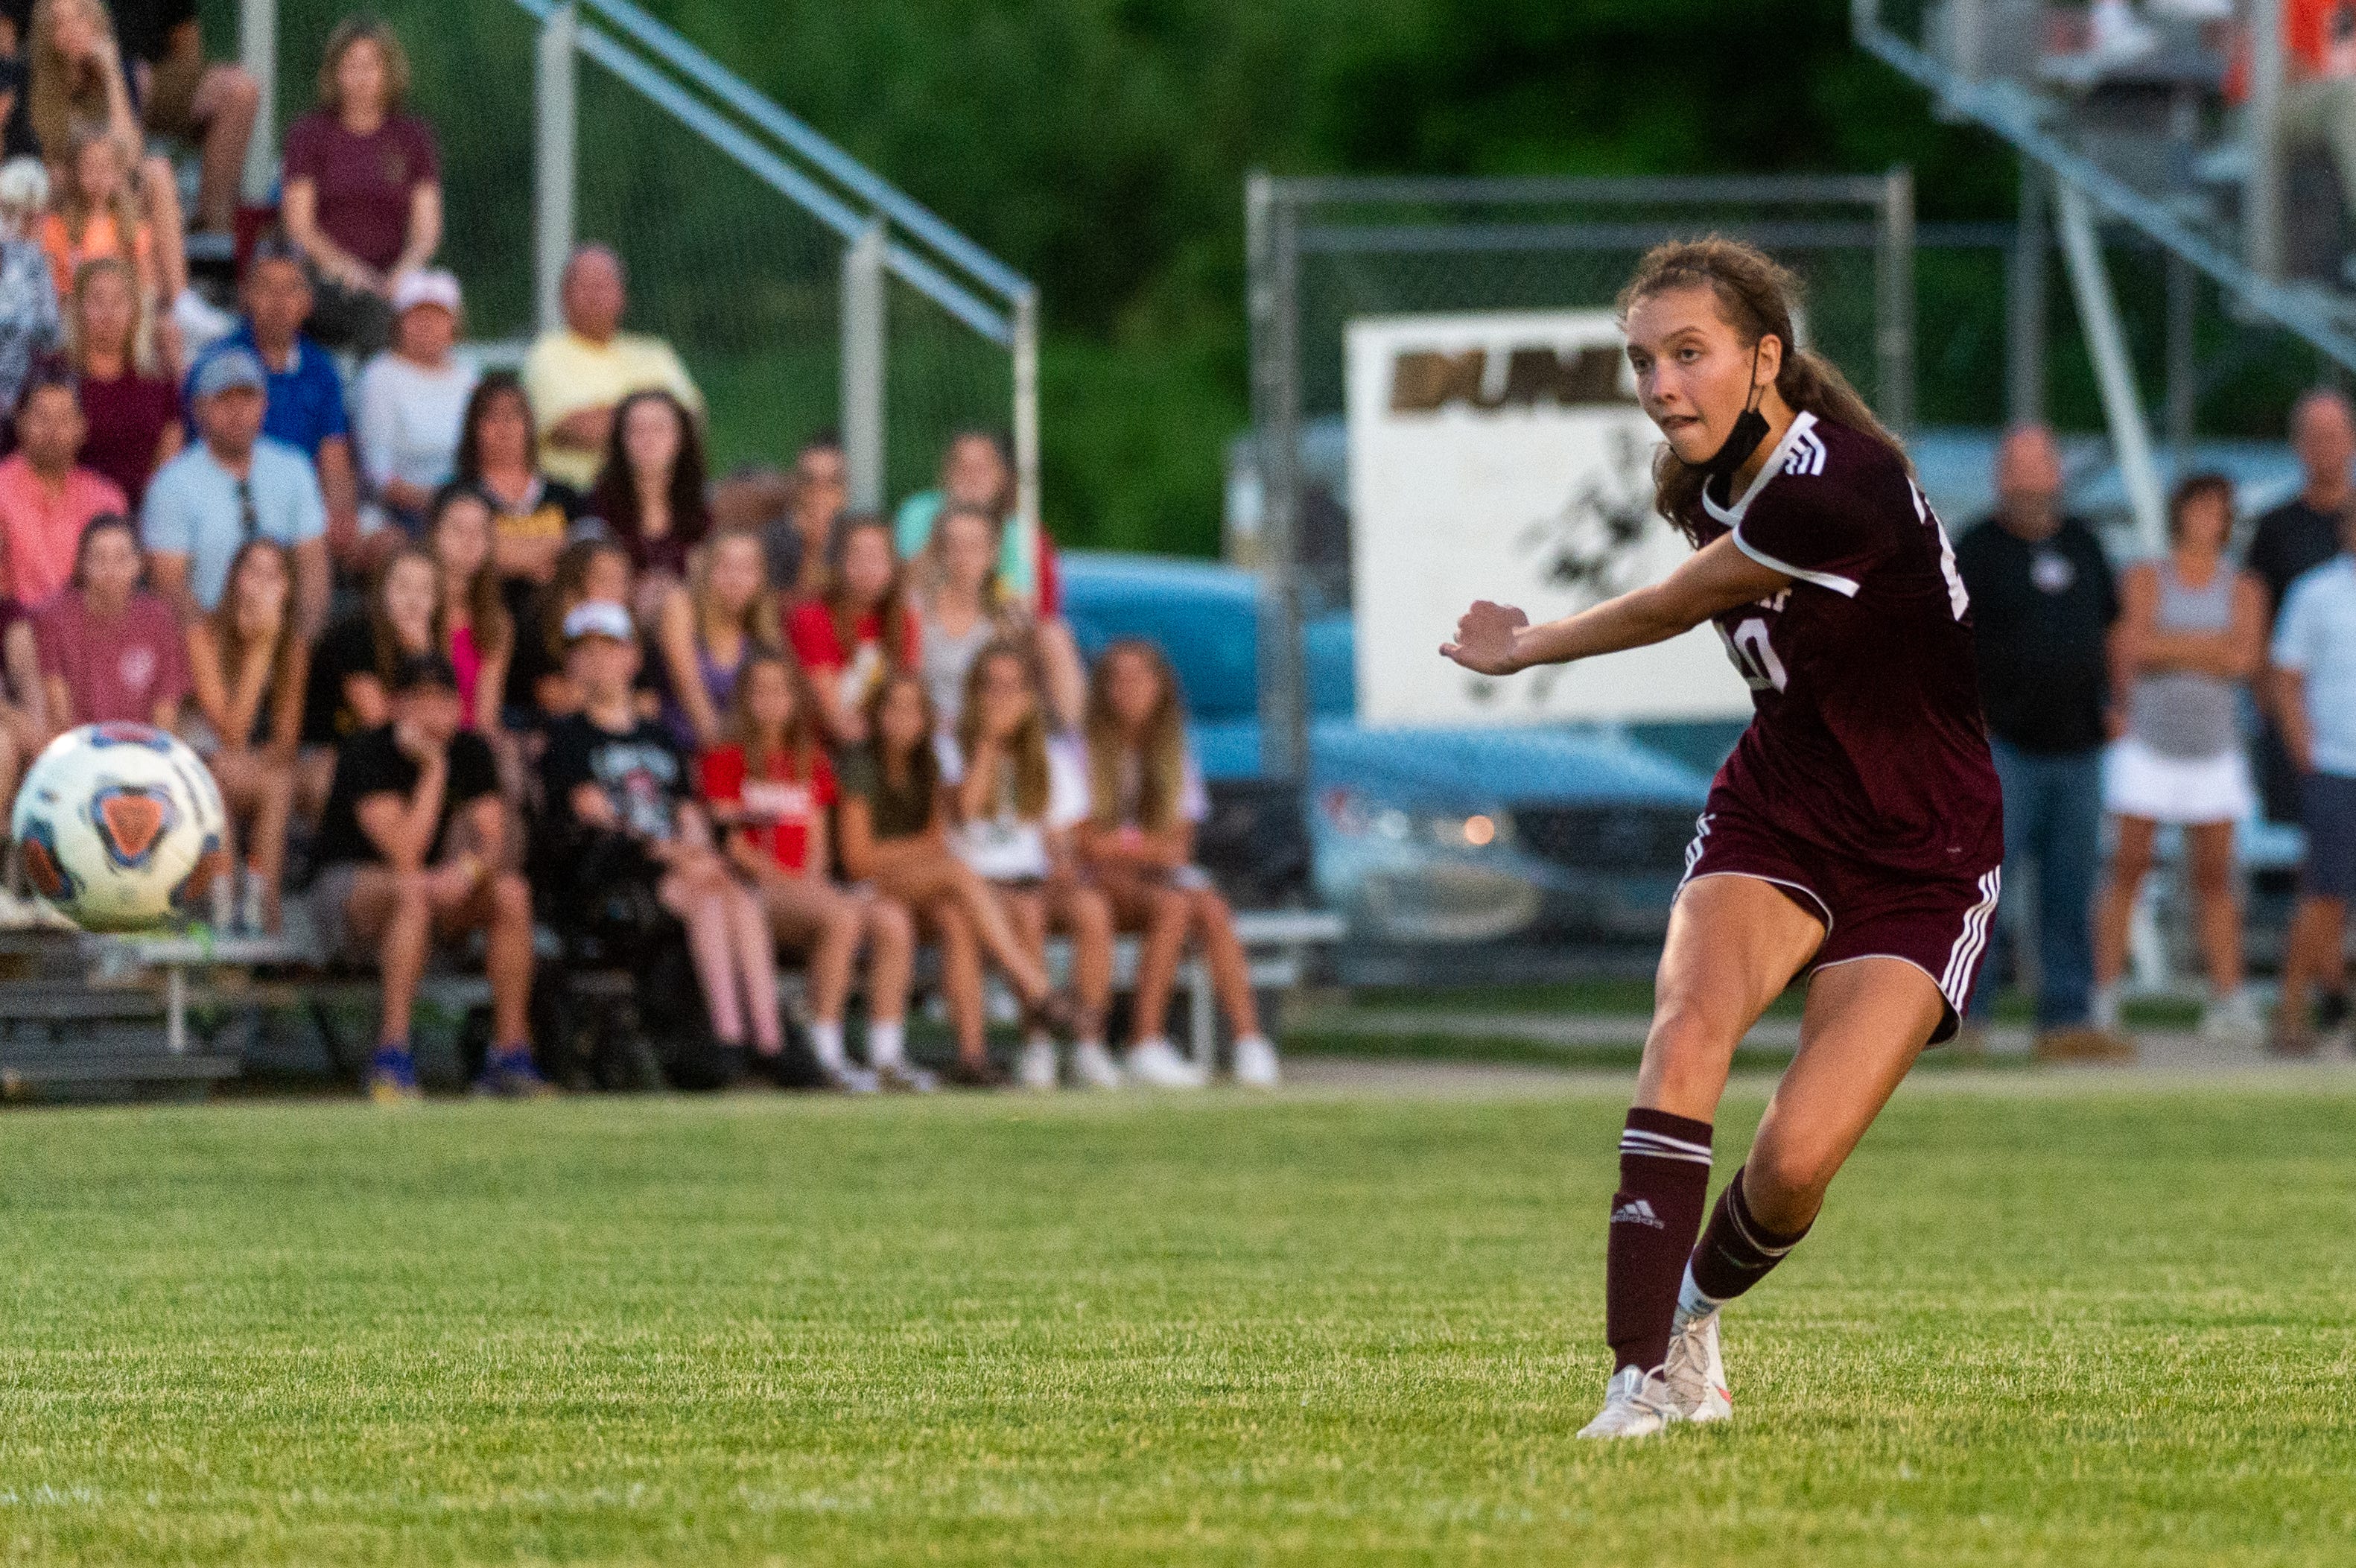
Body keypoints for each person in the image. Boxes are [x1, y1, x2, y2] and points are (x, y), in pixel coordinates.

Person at [1439, 238, 2004, 1438]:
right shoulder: (1695, 478)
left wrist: (1524, 644)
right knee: (1684, 1034)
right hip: (1779, 808)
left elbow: (1673, 603)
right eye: (1640, 360)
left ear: (1763, 358)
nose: (1658, 385)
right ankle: (1633, 1381)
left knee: (1793, 1166)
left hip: (1923, 849)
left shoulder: (1832, 480)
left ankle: (1692, 1311)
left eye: (1685, 355)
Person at [540, 600, 783, 1076]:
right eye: (586, 652)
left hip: (679, 869)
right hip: (614, 878)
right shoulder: (567, 738)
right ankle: (733, 1037)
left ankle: (767, 1037)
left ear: (632, 659)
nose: (599, 662)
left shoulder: (660, 736)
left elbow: (687, 811)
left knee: (735, 893)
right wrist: (678, 854)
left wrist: (698, 853)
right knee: (710, 892)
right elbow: (598, 817)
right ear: (571, 664)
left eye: (610, 650)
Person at [1952, 423, 2125, 1061]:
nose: (2028, 484)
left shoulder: (2083, 542)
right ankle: (1966, 1017)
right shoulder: (1975, 548)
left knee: (2070, 887)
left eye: (2038, 470)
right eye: (2016, 471)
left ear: (2056, 475)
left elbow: (2113, 626)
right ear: (2001, 477)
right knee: (1983, 889)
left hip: (2079, 746)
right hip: (2005, 748)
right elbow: (1948, 644)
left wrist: (2119, 701)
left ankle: (2065, 1016)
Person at [308, 650, 545, 1102]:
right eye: (417, 698)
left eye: (442, 699)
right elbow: (405, 852)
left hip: (432, 893)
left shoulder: (473, 750)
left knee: (511, 892)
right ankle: (391, 1056)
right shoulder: (367, 750)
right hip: (349, 893)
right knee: (412, 891)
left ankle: (509, 1054)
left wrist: (470, 871)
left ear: (459, 707)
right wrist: (434, 768)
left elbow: (494, 840)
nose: (431, 710)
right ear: (396, 705)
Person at [2090, 473, 2266, 1044]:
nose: (2206, 519)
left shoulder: (2243, 586)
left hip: (2213, 750)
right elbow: (2132, 647)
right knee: (2127, 869)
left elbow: (2242, 660)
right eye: (2197, 507)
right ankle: (2103, 994)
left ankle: (2228, 996)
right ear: (2179, 513)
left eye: (2217, 509)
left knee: (2215, 878)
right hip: (2147, 745)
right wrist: (2204, 649)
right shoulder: (2144, 576)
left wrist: (2172, 646)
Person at [702, 651, 922, 1091]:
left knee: (892, 920)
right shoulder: (724, 759)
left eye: (780, 690)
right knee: (842, 915)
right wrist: (791, 882)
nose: (770, 701)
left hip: (810, 887)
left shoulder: (811, 761)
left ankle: (887, 1055)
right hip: (754, 891)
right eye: (759, 690)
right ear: (743, 698)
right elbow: (732, 844)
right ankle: (824, 1054)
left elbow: (818, 842)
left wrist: (812, 882)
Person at [836, 670, 1069, 1088]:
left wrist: (920, 851)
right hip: (866, 888)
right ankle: (1034, 986)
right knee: (958, 873)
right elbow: (857, 860)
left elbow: (938, 837)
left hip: (913, 886)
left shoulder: (927, 766)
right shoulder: (861, 765)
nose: (903, 718)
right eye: (893, 707)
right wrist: (921, 851)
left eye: (914, 709)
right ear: (876, 715)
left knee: (956, 918)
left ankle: (972, 1058)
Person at [1078, 638, 1280, 1089]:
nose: (1129, 690)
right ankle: (1144, 1041)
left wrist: (1122, 845)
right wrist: (1140, 847)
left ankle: (1249, 1040)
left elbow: (1177, 850)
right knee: (1179, 904)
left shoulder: (1174, 752)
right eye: (1118, 679)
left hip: (1151, 884)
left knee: (1208, 908)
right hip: (1094, 888)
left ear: (1161, 687)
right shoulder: (1080, 750)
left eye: (1140, 678)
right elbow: (1084, 845)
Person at [938, 640, 1118, 1091]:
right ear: (973, 693)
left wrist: (1062, 865)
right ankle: (1036, 1042)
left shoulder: (1051, 757)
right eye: (991, 687)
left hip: (1031, 879)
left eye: (1013, 688)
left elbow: (1061, 839)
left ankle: (1088, 1044)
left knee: (1092, 908)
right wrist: (989, 744)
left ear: (1030, 696)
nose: (1001, 698)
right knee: (1026, 912)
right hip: (976, 882)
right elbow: (966, 813)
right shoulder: (949, 749)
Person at [185, 239, 361, 565]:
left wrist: (340, 511)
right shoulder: (217, 365)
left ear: (308, 301)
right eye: (266, 287)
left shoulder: (321, 369)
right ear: (246, 295)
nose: (279, 302)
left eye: (291, 289)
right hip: (227, 498)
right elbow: (201, 453)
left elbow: (333, 457)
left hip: (300, 506)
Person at [895, 428, 1084, 725]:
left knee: (1049, 636)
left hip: (988, 623)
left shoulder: (1019, 532)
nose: (972, 477)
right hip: (930, 616)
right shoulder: (919, 511)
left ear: (1001, 477)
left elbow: (1026, 607)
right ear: (947, 474)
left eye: (982, 468)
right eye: (963, 467)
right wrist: (949, 527)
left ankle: (1068, 736)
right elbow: (903, 586)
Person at [279, 16, 440, 356]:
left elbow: (426, 232)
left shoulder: (412, 137)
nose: (361, 78)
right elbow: (300, 228)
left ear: (388, 72)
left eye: (370, 66)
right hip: (328, 278)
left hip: (396, 276)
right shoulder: (310, 135)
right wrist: (352, 272)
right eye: (350, 66)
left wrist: (402, 274)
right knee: (375, 315)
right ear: (335, 73)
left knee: (434, 308)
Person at [142, 347, 329, 632]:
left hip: (284, 637)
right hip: (207, 642)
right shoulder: (171, 485)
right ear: (199, 409)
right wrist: (216, 656)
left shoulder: (294, 469)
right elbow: (170, 585)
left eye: (247, 398)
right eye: (224, 399)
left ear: (264, 403)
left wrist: (300, 644)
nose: (237, 412)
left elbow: (312, 564)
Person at [2267, 503, 2356, 1055]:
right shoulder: (2315, 592)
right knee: (2323, 894)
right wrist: (2308, 754)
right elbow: (2284, 676)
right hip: (2335, 764)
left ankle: (2337, 1001)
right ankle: (2292, 1010)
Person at [182, 537, 302, 932]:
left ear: (289, 587)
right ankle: (224, 903)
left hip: (252, 765)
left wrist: (257, 760)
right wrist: (261, 649)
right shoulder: (204, 635)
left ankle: (261, 911)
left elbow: (286, 738)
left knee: (280, 783)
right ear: (235, 578)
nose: (263, 584)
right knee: (218, 772)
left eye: (275, 575)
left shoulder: (294, 646)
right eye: (253, 571)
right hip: (202, 759)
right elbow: (230, 731)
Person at [2248, 390, 2355, 827]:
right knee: (2300, 860)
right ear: (2297, 445)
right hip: (2297, 724)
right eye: (2313, 438)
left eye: (2333, 437)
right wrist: (2271, 711)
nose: (2323, 449)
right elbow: (2256, 621)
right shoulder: (2276, 527)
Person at [521, 244, 703, 492]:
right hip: (582, 496)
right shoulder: (546, 353)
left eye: (604, 285)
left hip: (663, 495)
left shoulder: (655, 352)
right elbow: (574, 429)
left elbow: (691, 422)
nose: (596, 295)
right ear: (564, 295)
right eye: (586, 286)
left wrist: (607, 415)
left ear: (623, 295)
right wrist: (658, 423)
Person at [299, 545, 438, 818]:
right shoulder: (356, 635)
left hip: (387, 753)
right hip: (326, 751)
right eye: (402, 587)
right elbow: (378, 724)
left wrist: (424, 656)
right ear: (381, 593)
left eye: (425, 590)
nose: (414, 600)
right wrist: (420, 657)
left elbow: (443, 722)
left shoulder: (434, 645)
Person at [111, 0, 258, 237]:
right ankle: (128, 230)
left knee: (239, 91)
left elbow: (187, 46)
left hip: (154, 78)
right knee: (134, 81)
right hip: (80, 74)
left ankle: (215, 232)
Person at [355, 268, 474, 540]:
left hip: (463, 507)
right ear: (399, 322)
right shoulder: (380, 377)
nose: (427, 324)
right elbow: (380, 476)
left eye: (438, 316)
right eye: (417, 315)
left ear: (454, 323)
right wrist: (444, 505)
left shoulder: (468, 375)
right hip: (401, 514)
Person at [35, 510, 182, 728]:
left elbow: (165, 712)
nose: (110, 570)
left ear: (138, 564)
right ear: (82, 565)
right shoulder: (54, 618)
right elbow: (59, 716)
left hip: (142, 748)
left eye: (121, 558)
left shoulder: (158, 619)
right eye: (99, 558)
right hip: (79, 747)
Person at [787, 513, 920, 745]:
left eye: (878, 557)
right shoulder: (812, 617)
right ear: (839, 562)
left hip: (885, 744)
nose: (867, 568)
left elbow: (907, 700)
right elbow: (835, 717)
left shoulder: (904, 620)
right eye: (857, 556)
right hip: (824, 746)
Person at [0, 369, 124, 608]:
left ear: (82, 427)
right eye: (41, 417)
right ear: (20, 422)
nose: (53, 430)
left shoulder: (106, 499)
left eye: (64, 418)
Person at [455, 370, 582, 594]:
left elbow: (585, 556)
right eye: (491, 416)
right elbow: (463, 560)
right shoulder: (457, 497)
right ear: (473, 427)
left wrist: (502, 552)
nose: (503, 426)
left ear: (529, 423)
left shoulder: (565, 495)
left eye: (513, 414)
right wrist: (552, 550)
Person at [68, 254, 178, 507]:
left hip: (143, 512)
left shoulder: (157, 382)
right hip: (72, 512)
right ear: (78, 308)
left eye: (118, 301)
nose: (108, 312)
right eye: (97, 300)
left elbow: (169, 463)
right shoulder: (59, 377)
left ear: (136, 310)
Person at [914, 501, 1033, 729]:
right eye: (953, 545)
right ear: (939, 551)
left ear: (993, 553)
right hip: (925, 735)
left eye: (973, 546)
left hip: (985, 732)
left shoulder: (1010, 620)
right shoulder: (914, 611)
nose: (962, 556)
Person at [654, 526, 772, 749]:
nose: (735, 579)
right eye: (725, 566)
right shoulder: (682, 606)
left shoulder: (763, 629)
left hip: (742, 755)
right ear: (708, 571)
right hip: (686, 750)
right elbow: (692, 697)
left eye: (747, 569)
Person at [585, 387, 708, 592]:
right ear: (620, 440)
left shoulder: (704, 508)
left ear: (682, 438)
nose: (648, 439)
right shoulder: (596, 507)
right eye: (637, 429)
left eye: (659, 428)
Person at [507, 532, 632, 723]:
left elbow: (649, 702)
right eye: (603, 579)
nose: (614, 590)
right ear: (574, 582)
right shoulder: (539, 626)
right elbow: (549, 693)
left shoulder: (626, 625)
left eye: (621, 580)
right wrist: (609, 695)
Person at [425, 485, 511, 740]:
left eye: (480, 532)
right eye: (457, 529)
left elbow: (486, 718)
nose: (470, 541)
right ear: (433, 534)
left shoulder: (497, 621)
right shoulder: (412, 603)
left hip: (469, 746)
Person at [0, 155, 59, 435]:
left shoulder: (33, 261)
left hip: (20, 403)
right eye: (10, 210)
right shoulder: (30, 260)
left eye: (32, 214)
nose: (20, 222)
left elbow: (49, 333)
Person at [766, 431, 845, 602]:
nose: (819, 492)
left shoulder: (858, 541)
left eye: (833, 482)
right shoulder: (774, 541)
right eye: (809, 480)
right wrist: (811, 547)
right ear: (795, 483)